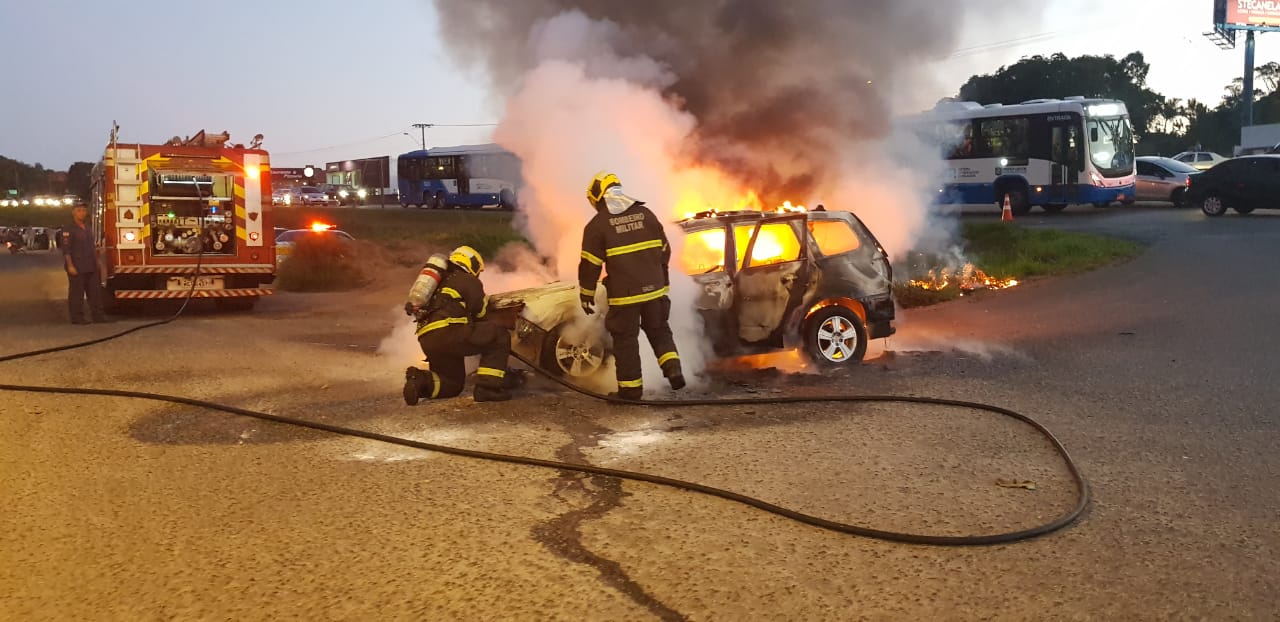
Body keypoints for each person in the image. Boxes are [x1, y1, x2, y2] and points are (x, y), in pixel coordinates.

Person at [579, 171, 685, 401]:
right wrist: (661, 280)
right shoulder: (646, 215)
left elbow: (590, 265)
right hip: (655, 290)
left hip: (625, 296)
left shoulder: (598, 225)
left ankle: (630, 390)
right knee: (659, 331)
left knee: (625, 340)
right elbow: (665, 251)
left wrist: (585, 294)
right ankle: (673, 369)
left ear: (598, 197)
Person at [403, 245, 514, 404]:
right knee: (499, 336)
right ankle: (487, 389)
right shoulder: (468, 280)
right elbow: (482, 313)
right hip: (450, 332)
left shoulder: (437, 283)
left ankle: (420, 381)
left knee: (452, 384)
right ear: (472, 264)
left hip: (427, 338)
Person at [61, 204, 109, 324]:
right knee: (77, 294)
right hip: (77, 266)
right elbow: (66, 250)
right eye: (79, 211)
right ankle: (77, 318)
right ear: (74, 213)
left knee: (94, 293)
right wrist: (70, 266)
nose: (82, 213)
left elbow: (91, 246)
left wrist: (97, 261)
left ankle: (98, 316)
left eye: (83, 210)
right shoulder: (69, 229)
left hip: (90, 265)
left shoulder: (87, 228)